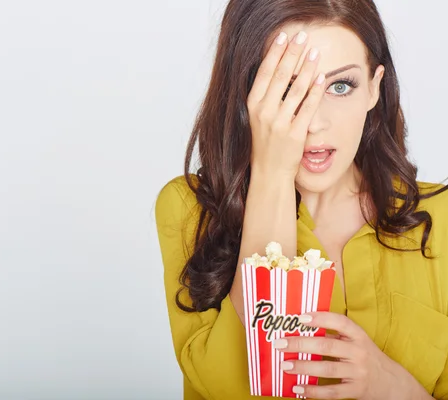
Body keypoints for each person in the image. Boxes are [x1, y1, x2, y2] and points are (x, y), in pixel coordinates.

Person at [154, 0, 448, 399]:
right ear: (246, 93)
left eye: (340, 86)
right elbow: (236, 389)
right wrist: (272, 174)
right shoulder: (188, 210)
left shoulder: (442, 218)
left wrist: (393, 387)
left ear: (374, 89)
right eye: (287, 89)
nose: (314, 121)